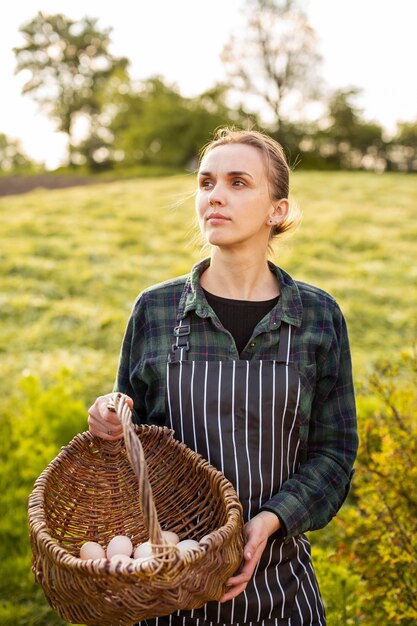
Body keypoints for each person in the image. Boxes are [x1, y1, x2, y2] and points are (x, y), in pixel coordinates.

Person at [88, 127, 358, 626]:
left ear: (277, 209)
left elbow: (335, 453)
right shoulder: (157, 309)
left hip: (280, 585)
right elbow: (128, 448)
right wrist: (109, 423)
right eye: (206, 182)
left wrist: (272, 520)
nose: (215, 195)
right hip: (170, 586)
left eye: (238, 183)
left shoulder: (318, 316)